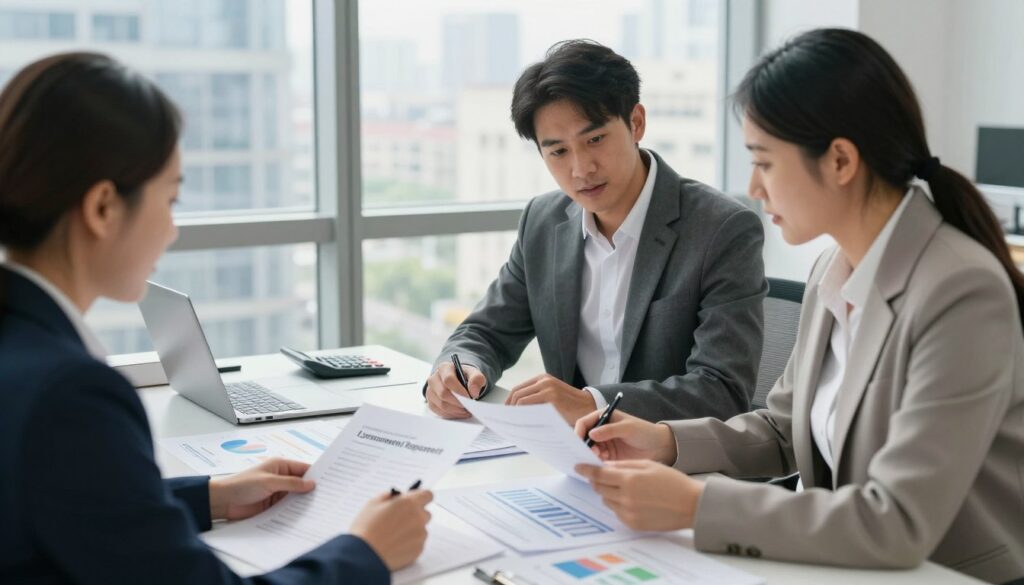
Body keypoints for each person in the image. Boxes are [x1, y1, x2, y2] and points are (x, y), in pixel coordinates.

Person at [574, 28, 1024, 584]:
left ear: (839, 160)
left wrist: (695, 505)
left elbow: (897, 520)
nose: (754, 188)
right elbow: (786, 429)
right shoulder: (833, 270)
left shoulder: (960, 292)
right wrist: (666, 442)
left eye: (764, 162)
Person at [0, 52, 432, 584]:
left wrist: (211, 497)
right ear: (103, 209)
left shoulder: (21, 347)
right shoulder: (70, 393)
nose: (173, 230)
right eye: (171, 198)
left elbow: (61, 501)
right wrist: (365, 552)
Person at [425, 40, 767, 425]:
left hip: (676, 468)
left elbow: (721, 390)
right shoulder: (543, 221)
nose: (580, 169)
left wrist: (591, 403)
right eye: (558, 152)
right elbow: (486, 332)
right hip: (571, 458)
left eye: (595, 140)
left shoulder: (720, 229)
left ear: (636, 122)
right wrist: (459, 369)